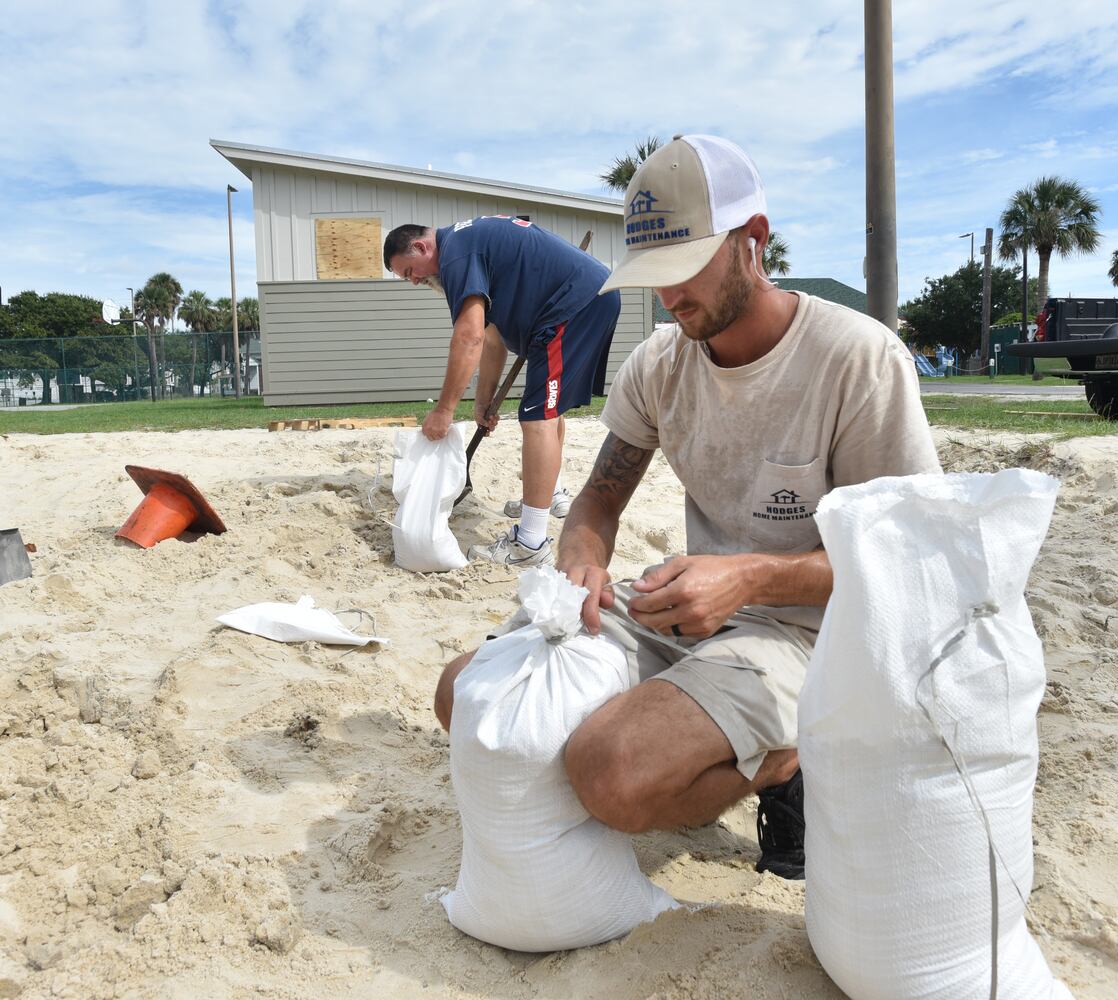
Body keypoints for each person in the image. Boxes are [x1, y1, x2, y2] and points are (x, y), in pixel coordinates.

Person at [434, 135, 940, 878]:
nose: (668, 297)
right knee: (467, 696)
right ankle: (705, 724)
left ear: (752, 241)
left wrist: (747, 580)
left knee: (610, 774)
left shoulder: (855, 359)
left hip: (808, 633)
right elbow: (599, 502)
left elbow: (905, 562)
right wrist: (581, 564)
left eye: (684, 269)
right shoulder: (659, 363)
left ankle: (790, 762)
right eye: (654, 277)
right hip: (688, 605)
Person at [383, 216, 621, 566]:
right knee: (548, 411)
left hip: (573, 306)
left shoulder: (456, 254)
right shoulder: (468, 246)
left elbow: (469, 337)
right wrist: (483, 400)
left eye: (409, 271)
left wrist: (444, 411)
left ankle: (529, 543)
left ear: (421, 247)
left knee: (537, 416)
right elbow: (492, 338)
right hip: (582, 301)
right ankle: (548, 495)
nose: (415, 281)